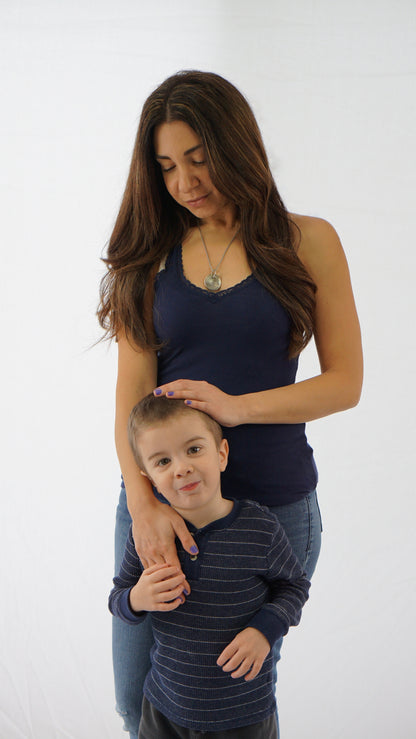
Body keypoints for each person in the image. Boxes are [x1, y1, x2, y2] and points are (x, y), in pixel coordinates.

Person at [97, 70, 363, 738]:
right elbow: (131, 396)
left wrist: (235, 409)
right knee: (139, 701)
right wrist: (144, 505)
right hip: (165, 508)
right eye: (166, 167)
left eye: (198, 157)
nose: (184, 181)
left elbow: (345, 382)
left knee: (232, 703)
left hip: (274, 506)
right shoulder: (147, 259)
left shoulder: (309, 241)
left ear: (235, 144)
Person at [109, 394, 310, 738]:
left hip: (243, 715)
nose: (181, 467)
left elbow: (294, 587)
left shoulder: (259, 528)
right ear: (148, 478)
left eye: (193, 450)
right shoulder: (150, 538)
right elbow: (118, 597)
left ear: (221, 454)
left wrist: (264, 630)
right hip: (164, 712)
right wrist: (137, 599)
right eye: (162, 461)